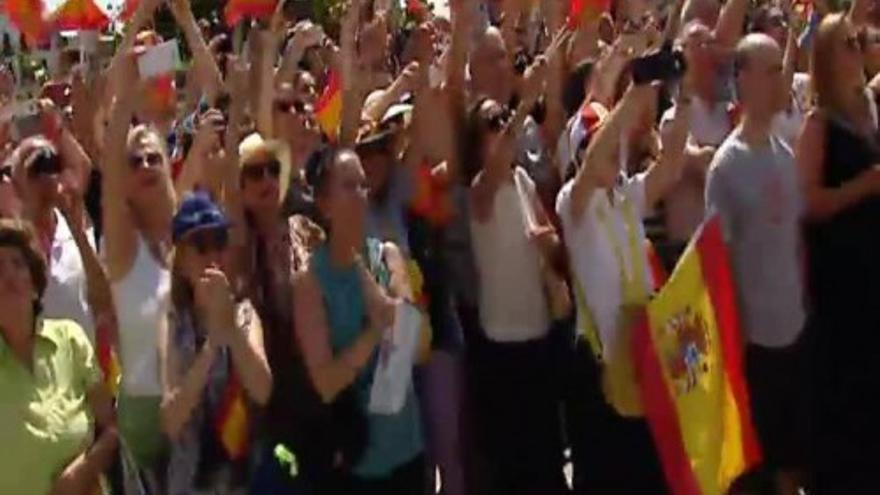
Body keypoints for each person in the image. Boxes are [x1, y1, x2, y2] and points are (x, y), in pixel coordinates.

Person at [556, 80, 690, 494]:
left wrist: (683, 94)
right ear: (580, 154)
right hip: (601, 374)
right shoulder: (571, 202)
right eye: (599, 143)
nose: (614, 150)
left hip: (643, 362)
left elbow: (670, 168)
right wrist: (633, 94)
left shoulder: (625, 196)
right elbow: (598, 153)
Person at [706, 33, 807, 495]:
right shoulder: (726, 167)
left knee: (792, 466)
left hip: (795, 335)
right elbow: (717, 264)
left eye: (778, 70)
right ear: (743, 80)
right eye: (768, 71)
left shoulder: (788, 156)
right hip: (753, 349)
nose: (778, 80)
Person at [293, 147, 427, 494]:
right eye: (349, 186)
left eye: (363, 185)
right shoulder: (310, 282)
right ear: (324, 203)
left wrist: (375, 295)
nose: (361, 194)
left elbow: (409, 338)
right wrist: (373, 334)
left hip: (408, 447)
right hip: (359, 465)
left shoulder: (388, 255)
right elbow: (325, 382)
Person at [797, 11, 880, 492]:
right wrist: (864, 187)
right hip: (842, 289)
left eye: (858, 40)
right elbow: (809, 202)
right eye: (847, 43)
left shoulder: (868, 113)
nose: (858, 48)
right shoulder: (819, 124)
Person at [160, 192, 272, 494]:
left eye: (219, 243)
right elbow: (170, 420)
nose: (213, 257)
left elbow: (262, 389)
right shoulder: (171, 320)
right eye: (200, 246)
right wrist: (211, 347)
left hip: (240, 481)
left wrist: (230, 329)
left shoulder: (245, 314)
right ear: (181, 261)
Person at [103, 48, 178, 484]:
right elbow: (109, 167)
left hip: (192, 409)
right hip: (146, 423)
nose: (147, 164)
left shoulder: (185, 236)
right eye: (136, 161)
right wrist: (128, 95)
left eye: (154, 157)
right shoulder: (124, 249)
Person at [0, 219, 118, 495]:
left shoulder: (69, 339)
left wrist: (84, 470)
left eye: (17, 264)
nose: (8, 276)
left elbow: (111, 429)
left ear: (34, 284)